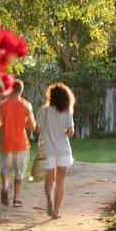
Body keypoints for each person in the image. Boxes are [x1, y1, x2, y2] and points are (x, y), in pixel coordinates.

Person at [35, 83, 75, 219]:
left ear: (50, 96)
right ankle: (56, 211)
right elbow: (70, 132)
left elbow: (37, 130)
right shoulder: (66, 112)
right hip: (63, 150)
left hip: (46, 149)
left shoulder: (42, 111)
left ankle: (49, 201)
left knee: (49, 179)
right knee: (60, 181)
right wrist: (62, 132)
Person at [0, 80, 36, 207]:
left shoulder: (2, 105)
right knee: (19, 171)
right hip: (21, 144)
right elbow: (33, 127)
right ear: (21, 90)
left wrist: (4, 126)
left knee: (5, 169)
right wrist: (24, 123)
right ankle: (16, 199)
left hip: (7, 142)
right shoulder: (26, 105)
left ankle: (5, 188)